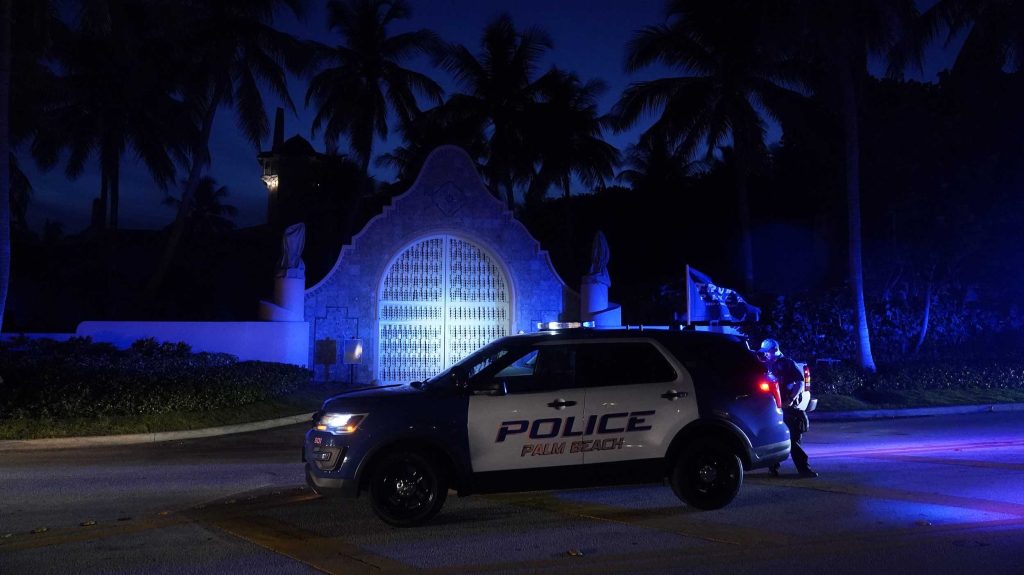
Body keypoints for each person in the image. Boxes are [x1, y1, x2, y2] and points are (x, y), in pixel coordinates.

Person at [758, 338, 818, 478]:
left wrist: (790, 399)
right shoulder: (766, 364)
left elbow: (800, 383)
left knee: (793, 439)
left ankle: (804, 469)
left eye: (767, 352)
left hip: (788, 407)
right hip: (773, 407)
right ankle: (773, 468)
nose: (765, 355)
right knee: (774, 437)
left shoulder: (788, 364)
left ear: (774, 351)